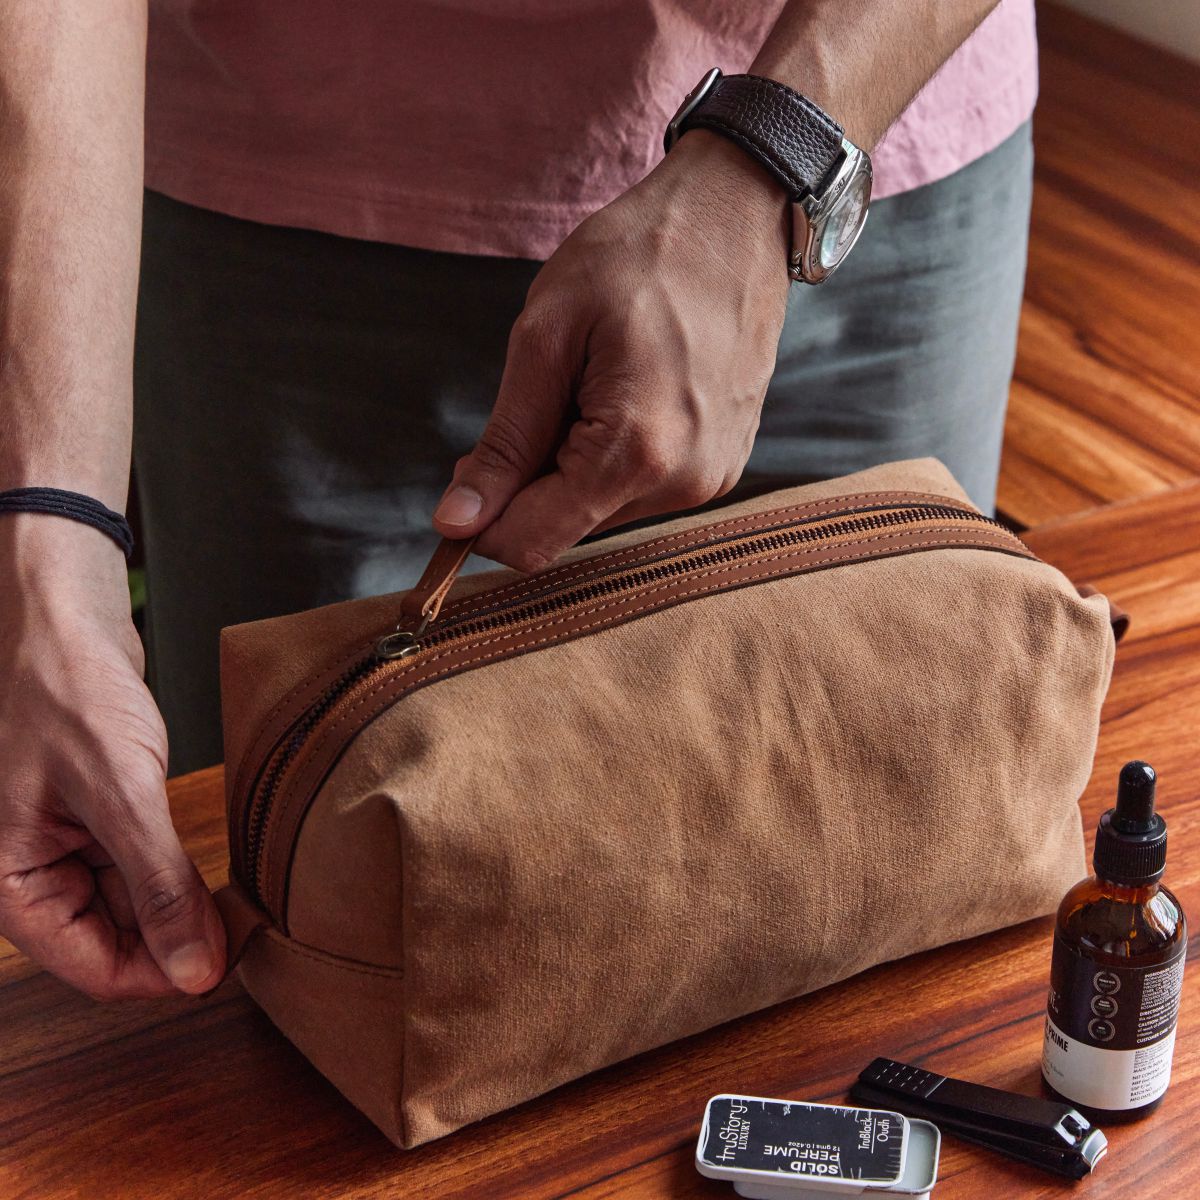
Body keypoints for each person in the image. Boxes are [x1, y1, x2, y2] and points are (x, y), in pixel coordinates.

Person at [0, 1, 1036, 1001]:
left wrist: (778, 152)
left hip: (871, 129)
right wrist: (50, 553)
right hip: (273, 213)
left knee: (891, 843)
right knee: (286, 949)